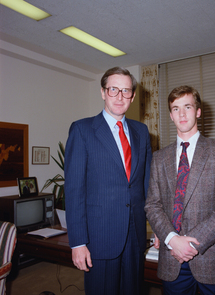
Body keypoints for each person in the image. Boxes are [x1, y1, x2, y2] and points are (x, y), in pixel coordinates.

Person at [65, 67, 152, 295]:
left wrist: (159, 231)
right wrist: (78, 243)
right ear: (103, 92)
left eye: (126, 91)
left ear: (132, 96)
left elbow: (147, 186)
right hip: (99, 237)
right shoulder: (82, 130)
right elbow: (74, 191)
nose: (120, 96)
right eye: (114, 89)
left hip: (134, 236)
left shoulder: (142, 132)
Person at [145, 85, 215, 295]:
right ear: (170, 115)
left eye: (187, 107)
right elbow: (153, 204)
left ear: (198, 111)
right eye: (176, 108)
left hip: (212, 257)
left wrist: (189, 245)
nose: (182, 113)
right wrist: (171, 239)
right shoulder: (159, 158)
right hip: (172, 260)